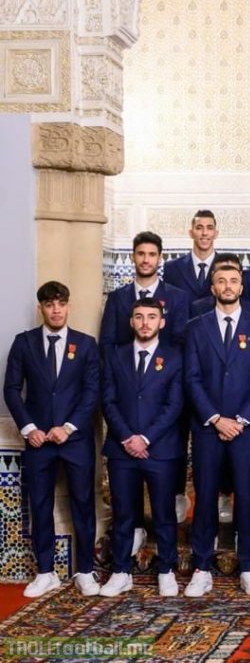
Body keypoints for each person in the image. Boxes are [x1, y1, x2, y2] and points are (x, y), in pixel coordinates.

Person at [4, 282, 101, 598]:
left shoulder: (86, 345)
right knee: (40, 505)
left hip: (75, 441)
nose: (56, 309)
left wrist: (69, 427)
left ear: (68, 306)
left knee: (83, 505)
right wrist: (29, 428)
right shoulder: (24, 343)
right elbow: (11, 389)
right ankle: (46, 572)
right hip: (38, 441)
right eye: (49, 304)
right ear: (41, 308)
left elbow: (91, 392)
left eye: (61, 303)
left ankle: (85, 571)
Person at [183, 261, 250, 597]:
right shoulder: (196, 327)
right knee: (205, 498)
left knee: (247, 499)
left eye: (233, 280)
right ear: (213, 288)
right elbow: (191, 378)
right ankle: (202, 567)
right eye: (221, 280)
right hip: (208, 428)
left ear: (241, 286)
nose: (228, 285)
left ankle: (248, 567)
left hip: (247, 430)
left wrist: (240, 420)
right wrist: (216, 419)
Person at [99, 231, 189, 528]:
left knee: (164, 489)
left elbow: (180, 344)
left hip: (162, 392)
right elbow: (107, 344)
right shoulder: (118, 298)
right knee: (126, 492)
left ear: (159, 258)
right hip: (124, 396)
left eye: (152, 254)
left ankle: (175, 500)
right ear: (133, 257)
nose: (146, 259)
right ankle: (133, 532)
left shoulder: (177, 297)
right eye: (141, 254)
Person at [99, 298, 184, 597]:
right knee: (123, 514)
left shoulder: (175, 357)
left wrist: (145, 438)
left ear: (162, 322)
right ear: (131, 322)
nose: (145, 322)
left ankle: (167, 570)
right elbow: (107, 400)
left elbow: (174, 405)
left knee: (164, 514)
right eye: (139, 316)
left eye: (152, 317)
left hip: (160, 449)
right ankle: (121, 571)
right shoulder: (115, 355)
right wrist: (127, 437)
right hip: (122, 450)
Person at [163, 209, 218, 304]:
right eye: (199, 228)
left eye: (209, 228)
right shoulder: (172, 268)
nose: (204, 233)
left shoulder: (228, 266)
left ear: (216, 233)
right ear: (191, 233)